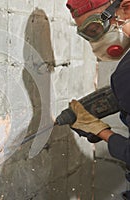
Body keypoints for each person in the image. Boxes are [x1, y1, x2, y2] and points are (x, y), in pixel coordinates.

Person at [66, 0, 130, 198]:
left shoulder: (126, 74)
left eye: (94, 29)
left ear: (126, 8)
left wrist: (101, 132)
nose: (94, 42)